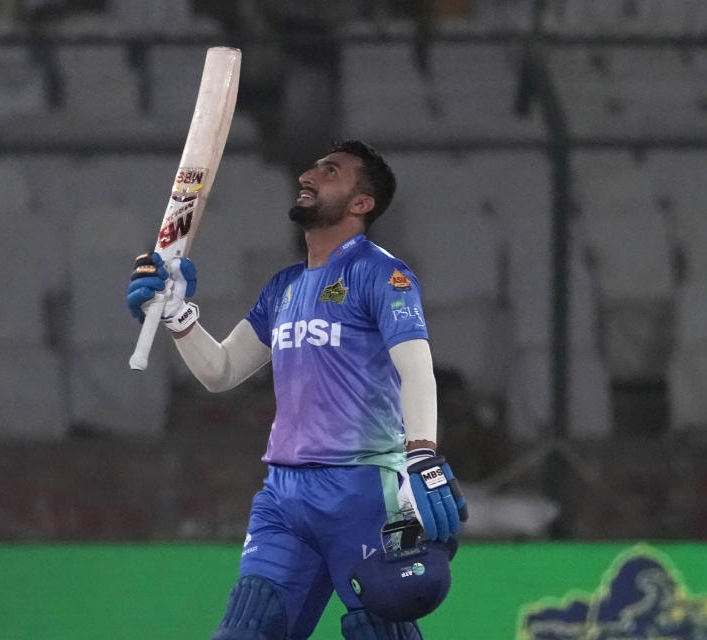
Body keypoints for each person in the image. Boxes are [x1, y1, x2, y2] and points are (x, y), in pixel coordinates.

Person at [127, 140, 467, 639]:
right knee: (246, 630)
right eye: (312, 166)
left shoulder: (381, 273)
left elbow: (417, 368)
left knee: (381, 630)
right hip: (284, 495)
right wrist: (178, 316)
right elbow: (220, 371)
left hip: (363, 489)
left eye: (330, 171)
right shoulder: (283, 287)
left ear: (361, 203)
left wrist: (421, 456)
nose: (308, 174)